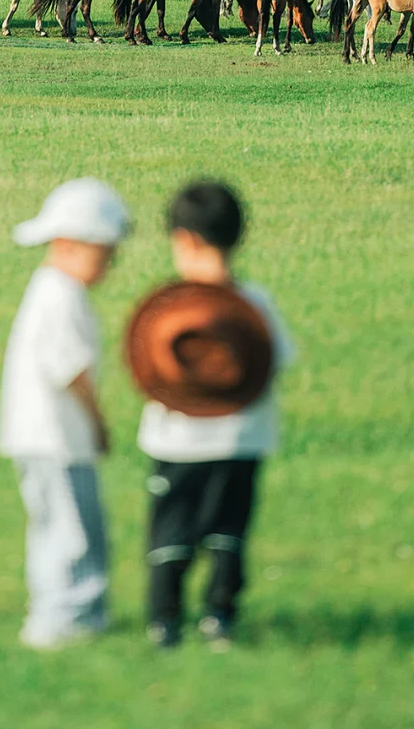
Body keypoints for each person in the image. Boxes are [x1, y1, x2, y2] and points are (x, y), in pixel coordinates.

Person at [136, 179, 294, 649]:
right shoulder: (255, 303)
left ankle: (164, 621)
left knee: (172, 527)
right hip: (243, 438)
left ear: (183, 239)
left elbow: (147, 365)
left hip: (177, 441)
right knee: (229, 528)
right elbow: (277, 361)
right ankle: (218, 618)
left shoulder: (170, 307)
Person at [0, 176, 131, 650]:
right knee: (70, 529)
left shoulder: (53, 289)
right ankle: (66, 620)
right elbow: (71, 369)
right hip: (55, 437)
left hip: (47, 437)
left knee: (59, 523)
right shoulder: (61, 295)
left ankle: (71, 614)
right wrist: (98, 421)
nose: (110, 264)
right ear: (69, 243)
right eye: (105, 253)